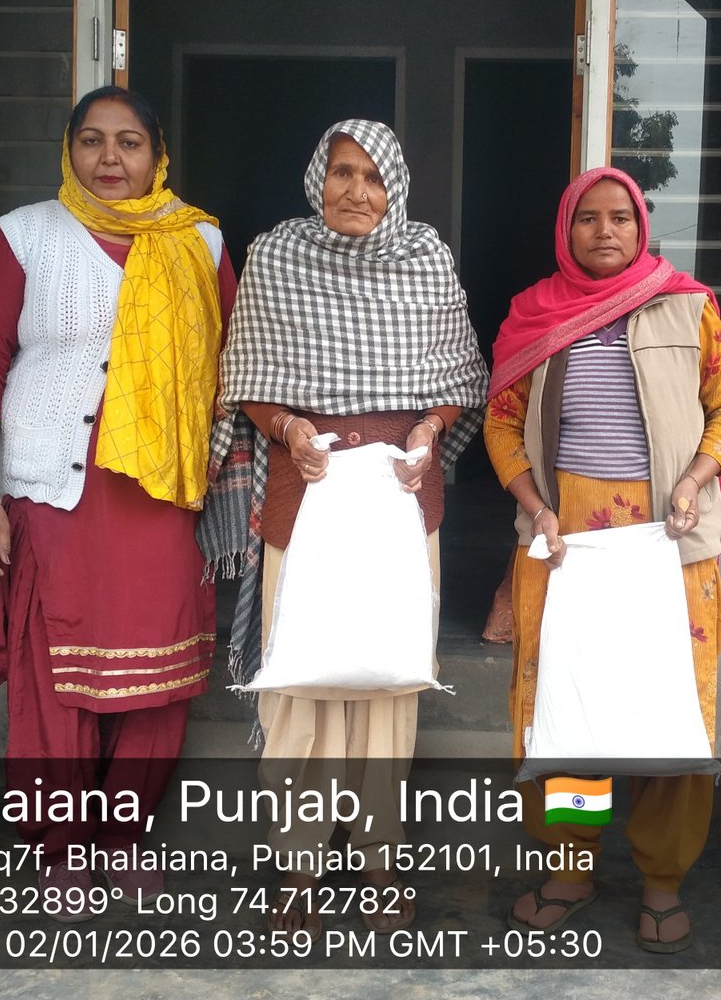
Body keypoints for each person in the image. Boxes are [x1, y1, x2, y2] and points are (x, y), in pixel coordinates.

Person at [0, 85, 236, 918]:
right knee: (56, 675)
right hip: (55, 494)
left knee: (159, 677)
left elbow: (236, 361)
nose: (110, 158)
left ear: (158, 156)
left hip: (162, 496)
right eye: (92, 140)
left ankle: (121, 838)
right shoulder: (23, 237)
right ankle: (61, 847)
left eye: (129, 142)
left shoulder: (201, 241)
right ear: (69, 150)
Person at [207, 118, 488, 936]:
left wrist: (429, 429)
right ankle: (298, 865)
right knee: (301, 681)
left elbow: (459, 378)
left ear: (394, 188)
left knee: (387, 686)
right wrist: (289, 427)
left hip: (401, 495)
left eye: (373, 176)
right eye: (341, 172)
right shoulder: (277, 257)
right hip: (306, 491)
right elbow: (246, 374)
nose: (356, 190)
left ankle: (378, 862)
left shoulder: (425, 258)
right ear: (317, 179)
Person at [483, 165, 721, 953]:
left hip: (669, 544)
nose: (605, 231)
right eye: (588, 218)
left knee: (669, 709)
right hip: (564, 544)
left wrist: (695, 480)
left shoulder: (687, 306)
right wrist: (535, 506)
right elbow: (501, 422)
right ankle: (570, 870)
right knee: (565, 709)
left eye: (621, 217)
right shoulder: (534, 314)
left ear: (641, 227)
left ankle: (663, 879)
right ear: (565, 230)